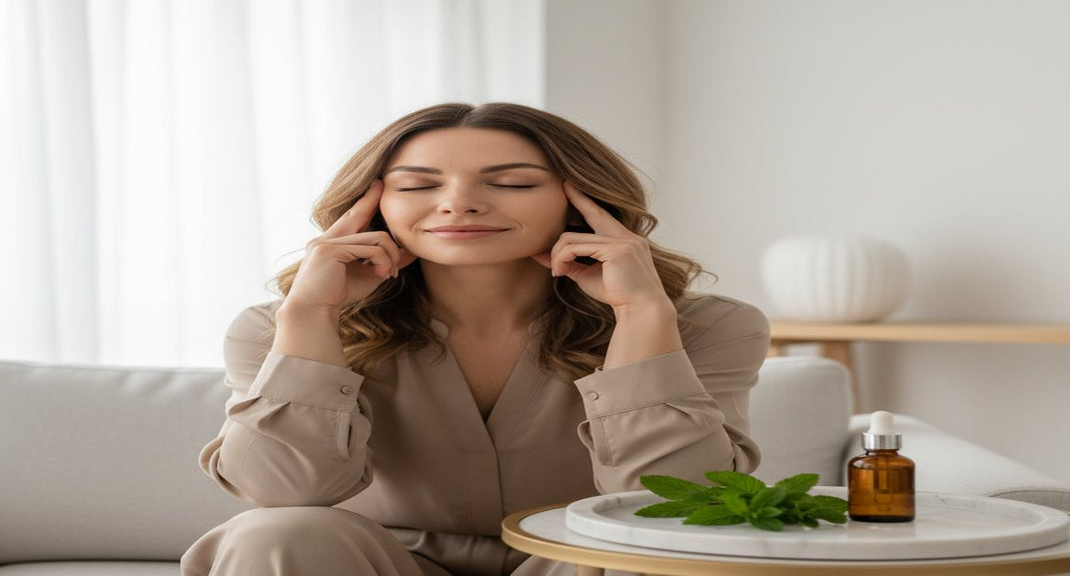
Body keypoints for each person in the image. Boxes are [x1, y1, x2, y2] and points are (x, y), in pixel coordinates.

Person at [181, 102, 769, 576]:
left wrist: (641, 315)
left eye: (512, 182)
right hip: (377, 564)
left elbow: (680, 503)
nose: (459, 203)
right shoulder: (276, 328)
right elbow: (281, 490)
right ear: (373, 205)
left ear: (582, 201)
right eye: (417, 185)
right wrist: (310, 315)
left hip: (581, 561)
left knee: (654, 549)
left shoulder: (708, 327)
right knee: (278, 532)